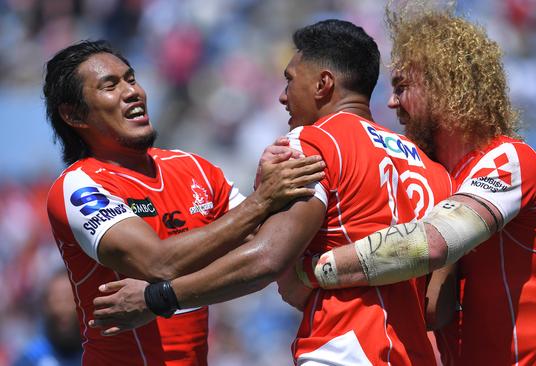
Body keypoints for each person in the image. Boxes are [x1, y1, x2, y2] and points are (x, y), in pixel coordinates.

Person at [90, 19, 454, 365]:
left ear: (322, 85)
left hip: (345, 348)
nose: (282, 97)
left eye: (289, 80)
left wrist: (158, 298)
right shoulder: (434, 170)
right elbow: (437, 308)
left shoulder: (314, 143)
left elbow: (267, 261)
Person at [278, 7, 536, 365]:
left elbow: (429, 244)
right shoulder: (439, 177)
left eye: (402, 87)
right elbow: (434, 310)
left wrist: (312, 270)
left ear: (446, 86)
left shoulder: (510, 159)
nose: (392, 102)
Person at [43, 40, 324, 365]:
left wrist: (268, 182)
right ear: (74, 114)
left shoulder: (195, 169)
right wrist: (262, 200)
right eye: (110, 86)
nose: (132, 91)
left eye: (131, 79)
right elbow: (157, 263)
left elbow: (265, 251)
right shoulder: (78, 185)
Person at [12, 270, 82, 366]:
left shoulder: (97, 353)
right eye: (56, 300)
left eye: (68, 299)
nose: (62, 308)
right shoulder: (32, 358)